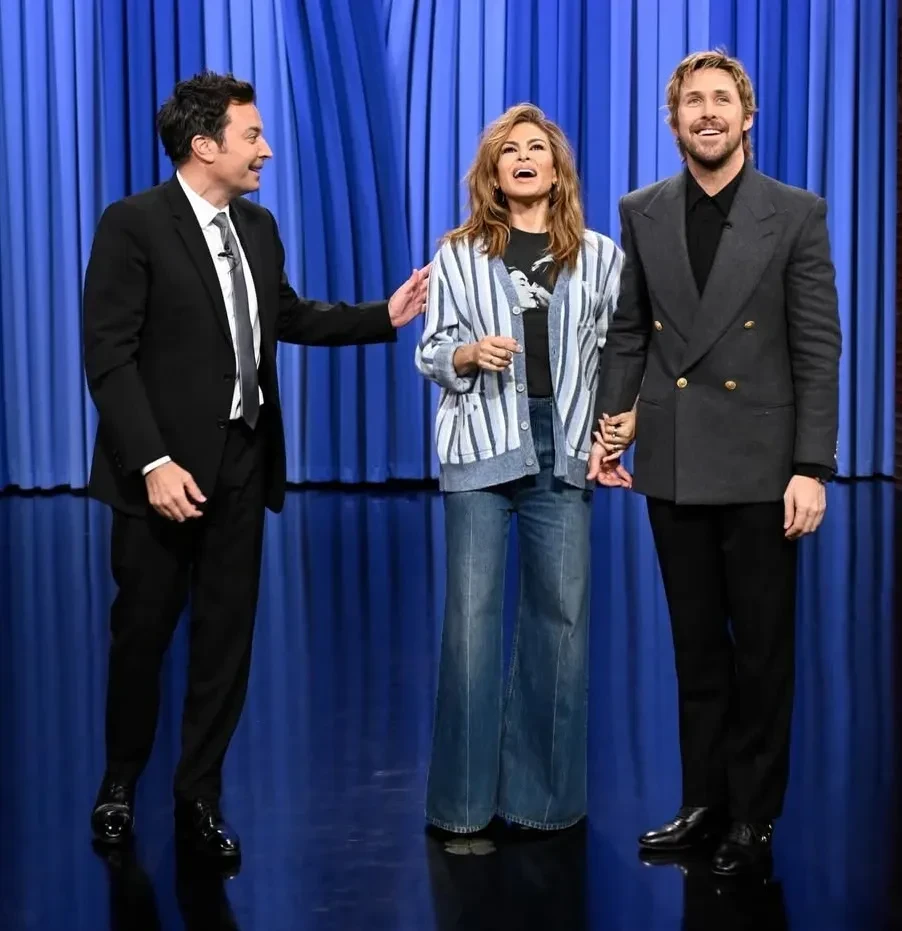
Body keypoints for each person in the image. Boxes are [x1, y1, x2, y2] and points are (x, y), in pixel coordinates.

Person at [82, 71, 428, 860]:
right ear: (204, 145)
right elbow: (108, 356)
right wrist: (154, 462)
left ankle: (199, 797)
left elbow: (287, 313)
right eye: (252, 136)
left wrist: (383, 315)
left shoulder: (259, 227)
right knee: (141, 638)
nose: (266, 150)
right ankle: (118, 783)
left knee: (225, 644)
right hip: (161, 479)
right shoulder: (132, 224)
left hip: (242, 463)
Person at [590, 49, 841, 876]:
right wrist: (611, 423)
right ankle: (704, 801)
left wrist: (812, 466)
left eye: (721, 100)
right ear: (673, 120)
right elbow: (631, 328)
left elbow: (817, 346)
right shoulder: (643, 210)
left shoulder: (795, 213)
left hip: (764, 464)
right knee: (695, 646)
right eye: (692, 101)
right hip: (675, 457)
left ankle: (753, 815)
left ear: (747, 116)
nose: (707, 112)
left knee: (762, 650)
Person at [415, 103, 627, 842]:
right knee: (471, 627)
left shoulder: (600, 256)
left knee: (560, 623)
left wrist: (617, 430)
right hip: (481, 445)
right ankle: (463, 806)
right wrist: (467, 355)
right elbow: (431, 350)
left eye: (537, 147)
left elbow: (619, 352)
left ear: (557, 170)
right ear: (494, 174)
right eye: (510, 150)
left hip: (562, 447)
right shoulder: (458, 253)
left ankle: (542, 803)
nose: (525, 157)